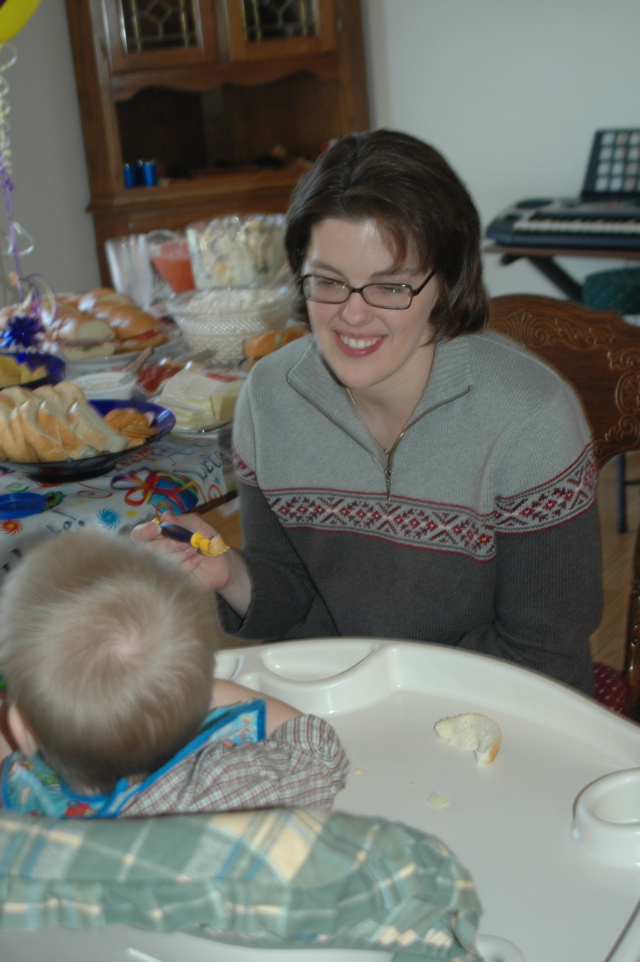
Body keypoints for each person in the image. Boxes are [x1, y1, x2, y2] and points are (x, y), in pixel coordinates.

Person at [133, 128, 601, 695]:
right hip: (334, 707)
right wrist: (228, 573)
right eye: (328, 282)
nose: (352, 315)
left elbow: (542, 653)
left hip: (499, 714)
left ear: (446, 282)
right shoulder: (271, 395)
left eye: (390, 288)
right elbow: (289, 599)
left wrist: (377, 698)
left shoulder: (531, 418)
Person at [0, 530, 349, 817]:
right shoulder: (229, 785)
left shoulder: (25, 802)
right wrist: (210, 691)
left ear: (22, 729)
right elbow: (318, 751)